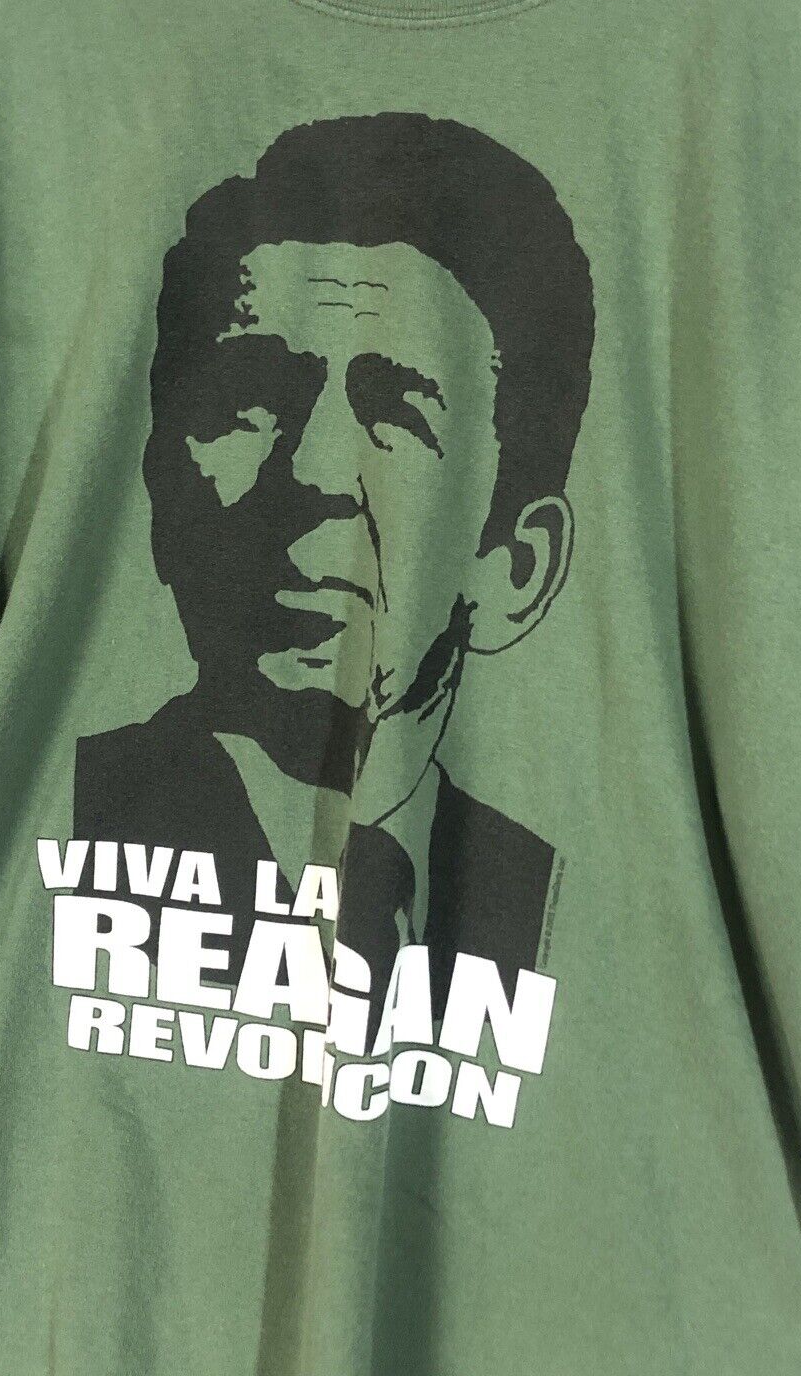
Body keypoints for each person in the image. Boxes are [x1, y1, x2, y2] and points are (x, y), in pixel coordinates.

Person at [75, 113, 595, 1029]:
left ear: (516, 566)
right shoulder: (66, 809)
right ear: (159, 488)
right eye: (251, 404)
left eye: (397, 414)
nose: (315, 472)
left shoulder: (571, 913)